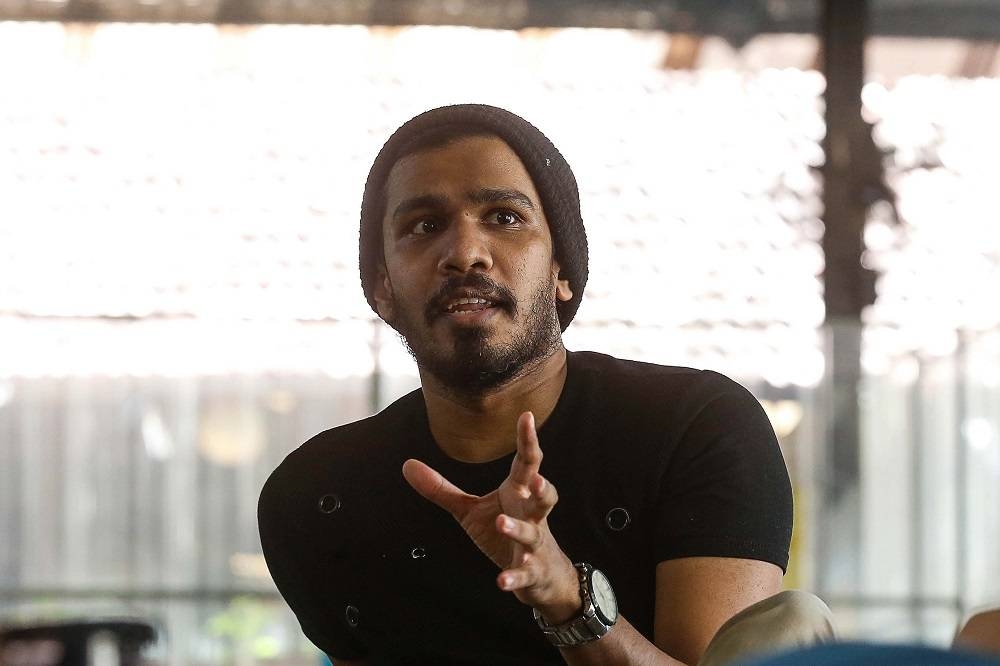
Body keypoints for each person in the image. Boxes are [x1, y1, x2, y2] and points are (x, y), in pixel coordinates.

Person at [258, 104, 833, 666]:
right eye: (424, 226)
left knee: (794, 623)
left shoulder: (694, 428)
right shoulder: (319, 496)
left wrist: (565, 598)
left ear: (561, 268)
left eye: (505, 217)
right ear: (382, 286)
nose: (464, 253)